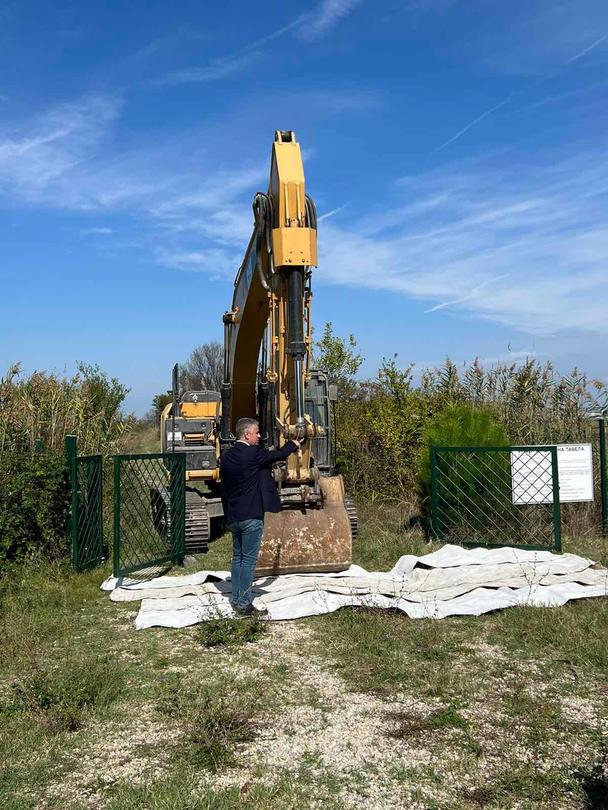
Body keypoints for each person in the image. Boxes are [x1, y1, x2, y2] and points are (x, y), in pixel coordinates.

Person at [219, 417, 300, 617]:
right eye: (256, 433)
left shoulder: (226, 456)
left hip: (234, 514)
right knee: (248, 561)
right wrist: (293, 445)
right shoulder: (254, 453)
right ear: (247, 434)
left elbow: (225, 487)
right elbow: (276, 455)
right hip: (251, 515)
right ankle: (245, 604)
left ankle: (236, 598)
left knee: (237, 558)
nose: (258, 436)